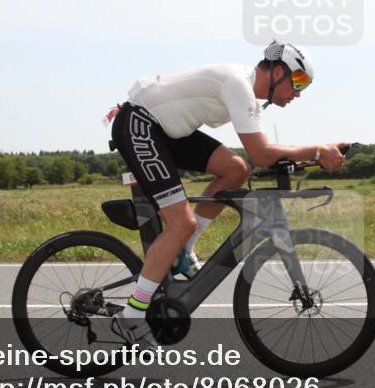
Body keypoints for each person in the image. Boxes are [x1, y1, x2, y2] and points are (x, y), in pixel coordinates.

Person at [107, 41, 348, 343]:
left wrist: (316, 153)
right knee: (181, 223)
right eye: (298, 81)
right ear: (276, 71)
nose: (298, 94)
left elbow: (258, 156)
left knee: (237, 169)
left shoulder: (243, 88)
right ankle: (132, 314)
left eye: (305, 86)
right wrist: (316, 151)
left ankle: (183, 250)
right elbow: (261, 153)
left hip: (166, 130)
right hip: (140, 125)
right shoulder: (238, 85)